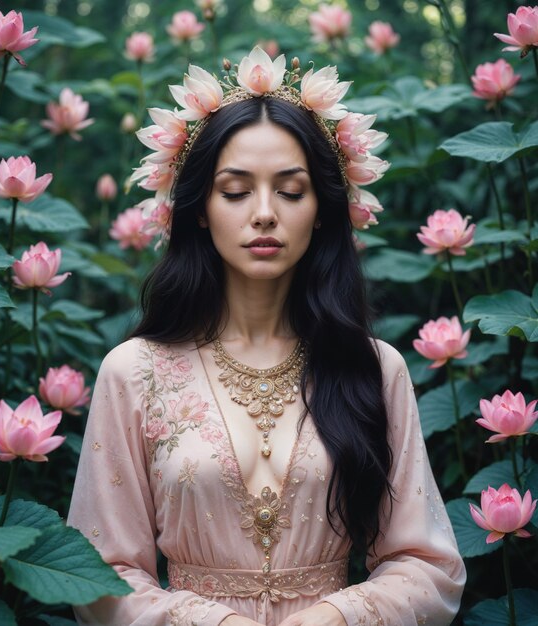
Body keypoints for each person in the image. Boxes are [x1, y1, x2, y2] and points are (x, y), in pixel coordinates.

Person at [68, 47, 465, 626]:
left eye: (290, 190)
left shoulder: (374, 368)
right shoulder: (135, 371)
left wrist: (334, 617)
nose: (263, 214)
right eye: (234, 191)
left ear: (324, 209)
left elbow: (428, 565)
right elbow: (99, 573)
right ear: (200, 207)